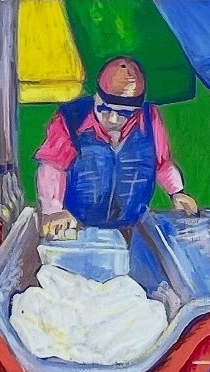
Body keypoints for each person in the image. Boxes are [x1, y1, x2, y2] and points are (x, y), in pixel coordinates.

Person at [35, 57, 198, 237]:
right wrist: (53, 210)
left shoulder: (150, 118)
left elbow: (162, 163)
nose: (113, 119)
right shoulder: (70, 118)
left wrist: (177, 193)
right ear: (96, 97)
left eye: (124, 113)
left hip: (133, 228)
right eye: (104, 109)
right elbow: (52, 167)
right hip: (77, 229)